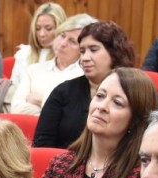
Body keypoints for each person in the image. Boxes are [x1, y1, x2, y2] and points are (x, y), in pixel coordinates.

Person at [41, 68, 158, 178]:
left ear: (135, 120)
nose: (102, 106)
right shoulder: (60, 165)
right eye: (100, 96)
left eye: (117, 102)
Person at [34, 20, 137, 149]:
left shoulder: (137, 89)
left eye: (93, 50)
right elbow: (42, 145)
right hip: (65, 166)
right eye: (82, 51)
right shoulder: (63, 92)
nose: (85, 58)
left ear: (114, 52)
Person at [11, 14, 95, 116]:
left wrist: (41, 100)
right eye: (62, 36)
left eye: (72, 41)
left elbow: (74, 115)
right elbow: (16, 109)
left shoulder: (85, 76)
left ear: (83, 49)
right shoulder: (33, 70)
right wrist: (56, 111)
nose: (63, 43)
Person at [9, 2, 67, 88]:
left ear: (61, 28)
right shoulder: (23, 55)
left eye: (48, 28)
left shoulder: (68, 57)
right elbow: (13, 87)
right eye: (37, 28)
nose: (42, 34)